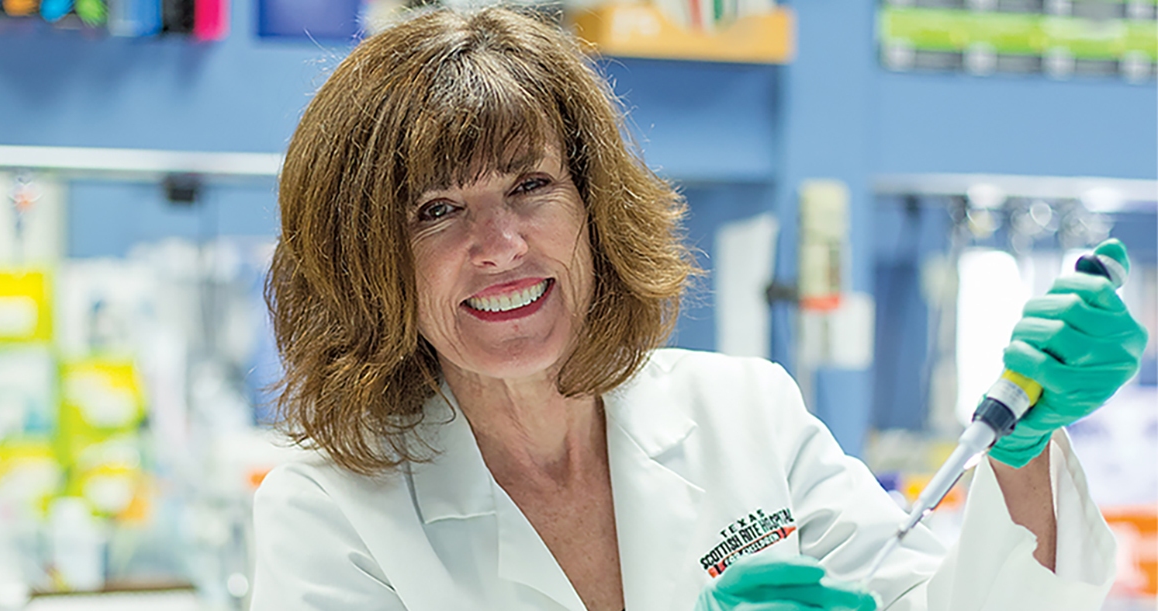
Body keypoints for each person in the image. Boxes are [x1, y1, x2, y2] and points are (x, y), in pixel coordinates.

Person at [251, 6, 1148, 611]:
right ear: (366, 257)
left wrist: (1019, 453)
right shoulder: (327, 506)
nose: (501, 245)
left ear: (594, 210)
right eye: (437, 210)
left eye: (531, 186)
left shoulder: (745, 413)